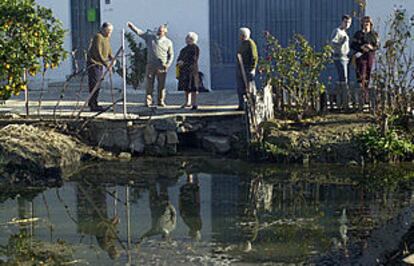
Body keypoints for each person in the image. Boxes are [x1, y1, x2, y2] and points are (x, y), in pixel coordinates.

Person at [127, 22, 174, 107]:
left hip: (162, 65)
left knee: (161, 85)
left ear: (165, 32)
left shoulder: (168, 42)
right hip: (151, 65)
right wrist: (132, 27)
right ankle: (148, 101)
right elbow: (140, 33)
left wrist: (168, 64)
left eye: (161, 31)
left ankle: (161, 101)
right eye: (158, 30)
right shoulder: (150, 38)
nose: (159, 32)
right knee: (149, 84)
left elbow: (171, 54)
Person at [351, 16, 379, 106]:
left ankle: (366, 97)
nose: (366, 24)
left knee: (368, 74)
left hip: (370, 56)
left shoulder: (374, 34)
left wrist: (371, 47)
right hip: (361, 56)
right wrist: (361, 47)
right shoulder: (358, 34)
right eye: (364, 23)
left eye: (368, 23)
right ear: (362, 24)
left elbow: (377, 45)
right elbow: (352, 45)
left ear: (370, 24)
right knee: (361, 74)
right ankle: (361, 98)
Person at [86, 22, 114, 111]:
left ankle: (94, 102)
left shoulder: (107, 38)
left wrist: (112, 58)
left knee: (98, 84)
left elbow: (109, 51)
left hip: (101, 65)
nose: (110, 33)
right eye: (109, 31)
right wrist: (107, 65)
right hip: (94, 64)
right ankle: (92, 104)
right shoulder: (98, 37)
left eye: (111, 31)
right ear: (104, 29)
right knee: (94, 84)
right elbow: (98, 53)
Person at [330, 15, 352, 108]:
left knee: (344, 78)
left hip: (345, 57)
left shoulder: (344, 32)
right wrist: (341, 43)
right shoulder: (337, 31)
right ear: (342, 22)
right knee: (343, 79)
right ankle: (343, 101)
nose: (347, 24)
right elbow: (332, 43)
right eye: (345, 22)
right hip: (339, 57)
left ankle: (343, 100)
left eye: (349, 22)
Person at [236, 27, 258, 110]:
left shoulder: (250, 43)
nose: (239, 37)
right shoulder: (242, 43)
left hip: (247, 69)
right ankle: (241, 105)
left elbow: (254, 57)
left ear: (244, 35)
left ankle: (250, 105)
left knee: (248, 88)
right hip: (240, 69)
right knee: (240, 87)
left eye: (241, 35)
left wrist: (252, 68)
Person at [177, 32, 201, 110]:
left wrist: (184, 62)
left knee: (193, 88)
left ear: (192, 39)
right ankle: (187, 102)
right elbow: (179, 57)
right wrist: (179, 62)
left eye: (188, 38)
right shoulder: (184, 49)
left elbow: (194, 59)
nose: (186, 39)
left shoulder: (195, 48)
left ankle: (194, 103)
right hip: (184, 71)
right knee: (186, 88)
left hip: (192, 71)